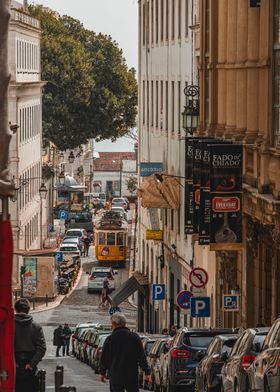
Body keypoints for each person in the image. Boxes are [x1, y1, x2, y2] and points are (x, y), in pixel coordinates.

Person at [100, 312, 151, 392]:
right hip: (131, 376)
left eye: (111, 324)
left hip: (115, 376)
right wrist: (147, 372)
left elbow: (104, 358)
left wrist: (103, 372)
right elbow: (141, 356)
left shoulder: (110, 339)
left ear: (114, 323)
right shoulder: (134, 337)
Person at [14, 298, 46, 392]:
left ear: (16, 309)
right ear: (28, 309)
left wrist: (12, 362)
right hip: (30, 363)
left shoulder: (9, 325)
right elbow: (42, 348)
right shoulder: (36, 326)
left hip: (13, 362)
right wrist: (32, 364)